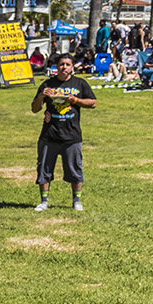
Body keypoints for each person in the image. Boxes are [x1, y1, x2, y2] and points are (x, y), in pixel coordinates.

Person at [30, 55, 96, 213]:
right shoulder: (47, 84)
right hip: (49, 135)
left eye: (67, 64)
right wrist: (42, 96)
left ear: (72, 67)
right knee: (44, 170)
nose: (64, 67)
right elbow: (34, 108)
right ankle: (44, 201)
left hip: (72, 136)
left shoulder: (80, 83)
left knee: (75, 170)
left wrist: (75, 100)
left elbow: (92, 103)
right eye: (61, 64)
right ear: (56, 67)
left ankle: (77, 201)